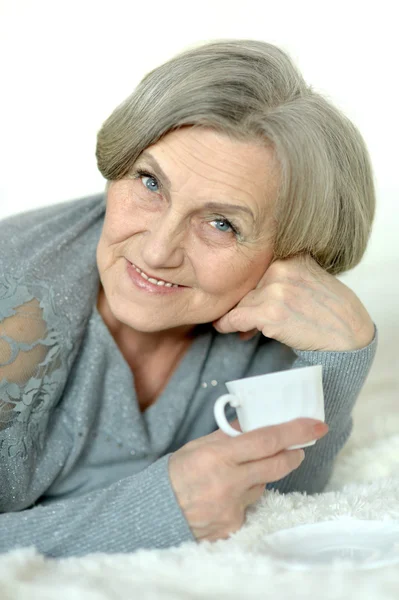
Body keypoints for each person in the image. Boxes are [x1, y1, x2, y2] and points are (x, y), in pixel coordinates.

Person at [0, 39, 377, 558]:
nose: (156, 251)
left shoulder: (264, 310)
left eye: (221, 223)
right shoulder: (15, 317)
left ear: (292, 254)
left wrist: (343, 353)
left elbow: (285, 506)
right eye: (150, 182)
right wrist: (153, 512)